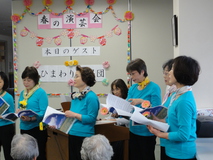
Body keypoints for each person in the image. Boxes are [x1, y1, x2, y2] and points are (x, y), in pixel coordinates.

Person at [148, 56, 200, 160]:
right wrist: (159, 121)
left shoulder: (184, 100)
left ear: (181, 72)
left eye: (172, 69)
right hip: (172, 150)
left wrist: (159, 134)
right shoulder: (176, 95)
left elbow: (183, 135)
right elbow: (173, 121)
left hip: (181, 154)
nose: (169, 73)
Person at [126, 58, 161, 160]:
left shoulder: (154, 87)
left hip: (147, 132)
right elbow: (128, 106)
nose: (131, 77)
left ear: (142, 72)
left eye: (133, 74)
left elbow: (157, 112)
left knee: (146, 156)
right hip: (133, 130)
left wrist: (141, 101)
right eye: (130, 74)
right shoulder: (132, 88)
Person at [65, 65, 99, 160]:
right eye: (74, 76)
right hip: (72, 134)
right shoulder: (75, 96)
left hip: (84, 137)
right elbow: (72, 117)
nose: (74, 79)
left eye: (77, 76)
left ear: (85, 79)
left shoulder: (91, 97)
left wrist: (74, 115)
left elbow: (92, 118)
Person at [17, 66, 48, 160]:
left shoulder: (41, 92)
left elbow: (44, 112)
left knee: (38, 155)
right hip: (24, 127)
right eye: (24, 80)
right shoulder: (23, 93)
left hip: (37, 129)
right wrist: (18, 112)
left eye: (29, 80)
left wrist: (31, 118)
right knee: (25, 155)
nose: (25, 82)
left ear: (35, 80)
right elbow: (19, 106)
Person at [160, 59, 176, 160]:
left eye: (167, 73)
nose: (164, 76)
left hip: (172, 139)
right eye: (164, 73)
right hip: (165, 138)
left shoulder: (178, 95)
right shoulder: (169, 91)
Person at [0, 71, 15, 160]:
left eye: (0, 82)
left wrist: (2, 116)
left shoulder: (8, 97)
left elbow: (12, 115)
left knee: (8, 152)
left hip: (6, 127)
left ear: (4, 82)